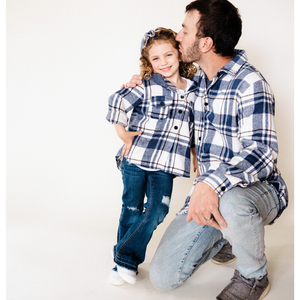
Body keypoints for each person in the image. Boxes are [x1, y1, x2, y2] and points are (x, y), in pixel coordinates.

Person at [127, 1, 288, 299]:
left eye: (185, 30)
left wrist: (210, 184)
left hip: (255, 191)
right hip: (207, 192)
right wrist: (142, 86)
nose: (178, 35)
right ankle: (230, 237)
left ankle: (254, 276)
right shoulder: (195, 83)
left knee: (232, 203)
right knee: (163, 277)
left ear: (206, 43)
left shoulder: (250, 83)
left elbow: (262, 152)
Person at [106, 27, 198, 286]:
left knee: (158, 209)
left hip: (165, 164)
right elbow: (117, 101)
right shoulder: (146, 85)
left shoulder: (193, 90)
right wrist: (123, 135)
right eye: (155, 59)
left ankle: (122, 256)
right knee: (131, 208)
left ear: (179, 54)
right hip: (135, 158)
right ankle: (125, 264)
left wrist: (194, 152)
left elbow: (194, 126)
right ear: (149, 62)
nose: (163, 63)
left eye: (168, 55)